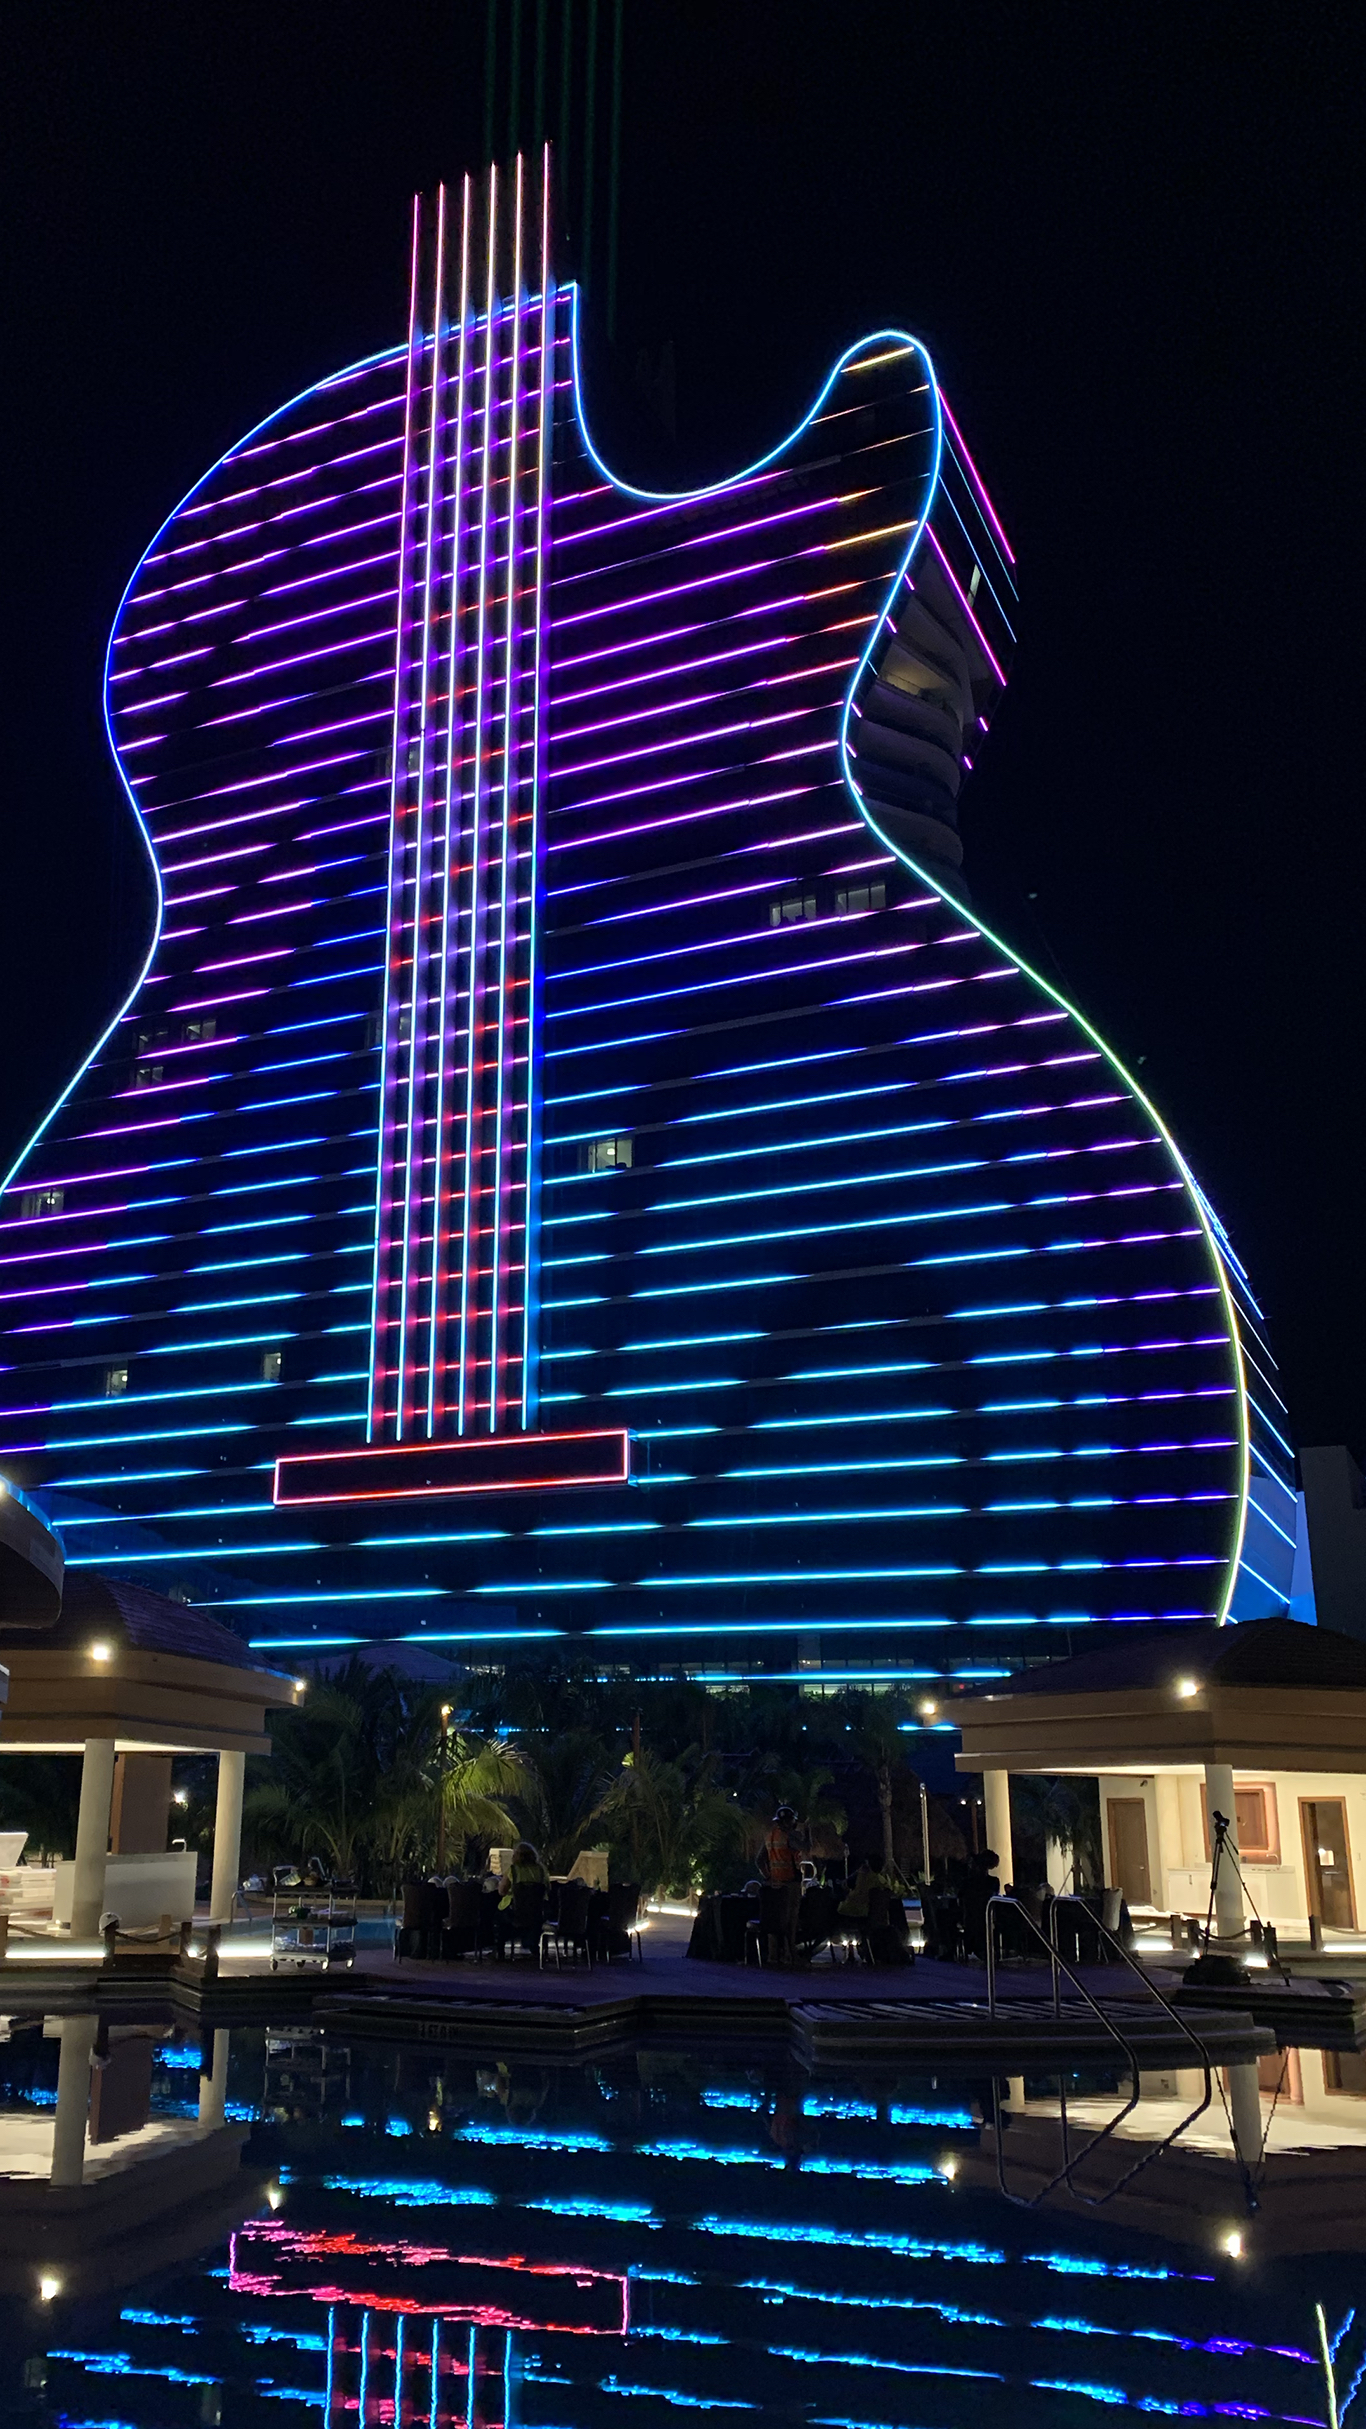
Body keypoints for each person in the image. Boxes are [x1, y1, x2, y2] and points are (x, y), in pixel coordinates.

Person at [759, 1805, 804, 1966]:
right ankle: (790, 1955)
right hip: (790, 1884)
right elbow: (804, 1847)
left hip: (774, 1886)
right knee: (790, 1922)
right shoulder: (789, 1837)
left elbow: (760, 1860)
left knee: (774, 1920)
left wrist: (769, 1877)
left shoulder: (769, 1837)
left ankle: (772, 1956)